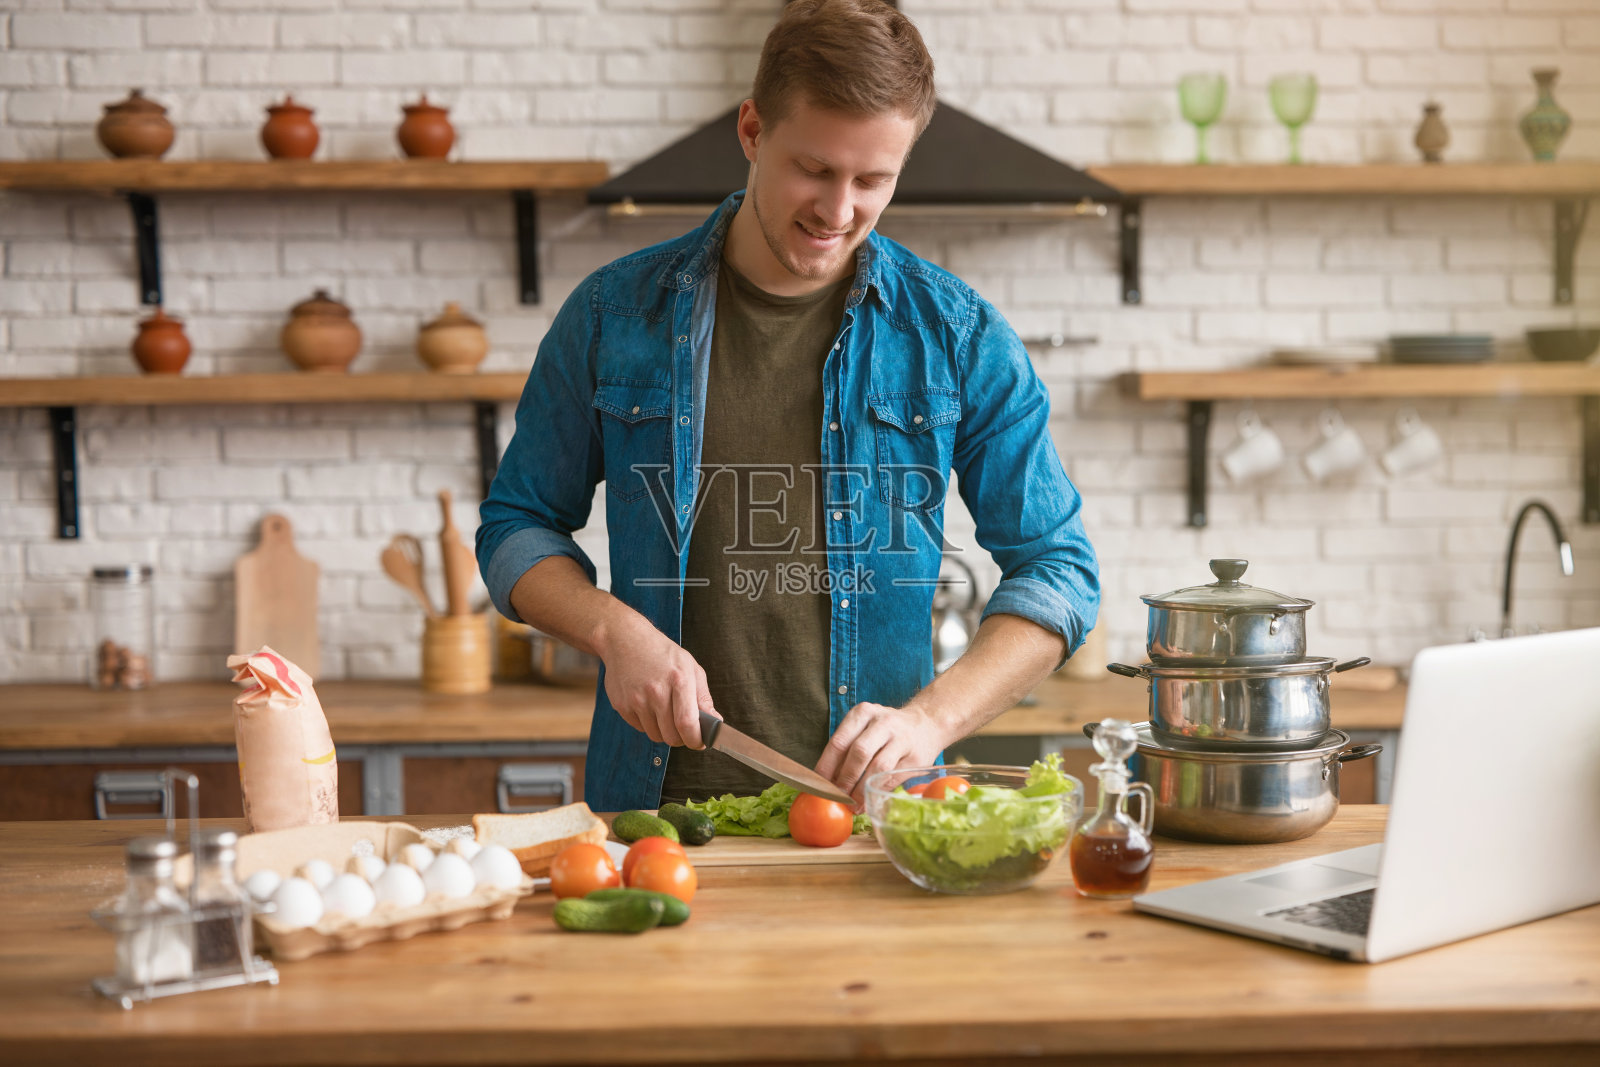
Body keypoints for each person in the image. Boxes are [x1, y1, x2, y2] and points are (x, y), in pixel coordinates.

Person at [477, 0, 1098, 812]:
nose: (838, 213)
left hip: (873, 825)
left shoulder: (957, 334)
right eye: (814, 168)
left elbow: (1061, 569)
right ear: (751, 131)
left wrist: (931, 720)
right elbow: (515, 523)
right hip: (661, 818)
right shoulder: (611, 315)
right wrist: (611, 629)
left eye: (873, 180)